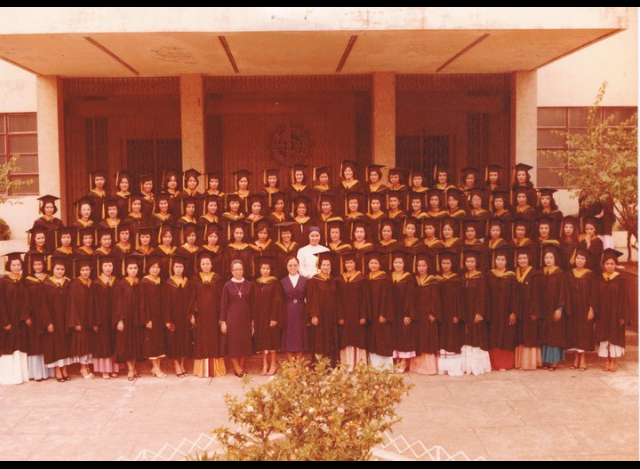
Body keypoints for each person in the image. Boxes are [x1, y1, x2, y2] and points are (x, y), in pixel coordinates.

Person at [596, 249, 631, 373]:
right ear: (603, 265)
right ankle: (606, 360)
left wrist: (623, 315)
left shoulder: (621, 279)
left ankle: (614, 361)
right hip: (603, 314)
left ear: (616, 264)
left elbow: (624, 298)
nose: (609, 266)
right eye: (607, 263)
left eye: (612, 263)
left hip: (616, 314)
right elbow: (596, 297)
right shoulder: (600, 278)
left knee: (615, 337)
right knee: (604, 337)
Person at [192, 251, 226, 379]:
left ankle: (215, 369)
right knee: (201, 339)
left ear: (211, 265)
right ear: (199, 265)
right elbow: (192, 298)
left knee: (214, 339)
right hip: (200, 315)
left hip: (213, 315)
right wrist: (192, 314)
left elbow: (220, 297)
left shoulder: (217, 279)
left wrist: (220, 315)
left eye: (208, 263)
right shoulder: (195, 279)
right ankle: (202, 370)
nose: (205, 266)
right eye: (203, 264)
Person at [163, 254, 196, 378]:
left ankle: (182, 364)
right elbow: (165, 303)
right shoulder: (168, 283)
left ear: (184, 268)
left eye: (180, 267)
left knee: (184, 341)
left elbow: (192, 300)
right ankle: (176, 365)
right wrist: (167, 320)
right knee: (174, 342)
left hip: (185, 317)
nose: (178, 269)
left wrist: (191, 315)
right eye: (176, 267)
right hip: (173, 317)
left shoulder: (188, 282)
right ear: (173, 268)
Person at [252, 256, 285, 376]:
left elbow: (277, 301)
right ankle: (265, 364)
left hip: (270, 317)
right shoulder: (256, 283)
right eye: (263, 268)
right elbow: (253, 301)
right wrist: (253, 318)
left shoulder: (275, 282)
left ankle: (273, 364)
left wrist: (274, 317)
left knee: (272, 341)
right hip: (260, 317)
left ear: (270, 270)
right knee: (262, 341)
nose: (265, 270)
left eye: (267, 268)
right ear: (259, 269)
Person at [335, 252, 368, 371]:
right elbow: (337, 300)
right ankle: (347, 365)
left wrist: (363, 315)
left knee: (358, 339)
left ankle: (359, 365)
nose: (349, 265)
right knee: (345, 339)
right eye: (347, 262)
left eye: (351, 262)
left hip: (357, 315)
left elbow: (364, 299)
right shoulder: (339, 279)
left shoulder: (361, 279)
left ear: (355, 263)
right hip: (345, 315)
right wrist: (340, 316)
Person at [220, 260, 254, 377]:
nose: (238, 272)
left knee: (245, 344)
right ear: (232, 271)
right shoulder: (227, 285)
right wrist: (223, 322)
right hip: (232, 319)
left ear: (243, 270)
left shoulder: (249, 284)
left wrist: (253, 320)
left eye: (240, 269)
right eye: (235, 269)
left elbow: (252, 303)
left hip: (246, 318)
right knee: (233, 344)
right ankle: (237, 367)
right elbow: (223, 304)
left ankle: (241, 366)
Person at [0, 253, 30, 385]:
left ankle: (21, 375)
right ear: (9, 266)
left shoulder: (23, 281)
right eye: (14, 265)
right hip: (9, 320)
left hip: (21, 319)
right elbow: (1, 303)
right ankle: (9, 377)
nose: (16, 267)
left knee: (20, 345)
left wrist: (26, 316)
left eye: (18, 264)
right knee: (9, 346)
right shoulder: (3, 281)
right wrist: (5, 321)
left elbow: (27, 301)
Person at [566, 248, 598, 372]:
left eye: (582, 259)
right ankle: (575, 359)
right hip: (573, 309)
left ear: (586, 261)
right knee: (574, 333)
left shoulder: (590, 275)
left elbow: (593, 294)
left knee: (584, 333)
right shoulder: (569, 274)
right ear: (575, 260)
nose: (579, 260)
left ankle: (583, 359)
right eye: (578, 258)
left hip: (585, 308)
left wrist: (591, 309)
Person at [486, 247, 518, 371]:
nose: (500, 262)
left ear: (506, 261)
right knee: (493, 336)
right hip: (493, 311)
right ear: (494, 260)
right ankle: (493, 363)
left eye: (502, 259)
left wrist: (513, 312)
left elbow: (515, 296)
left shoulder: (511, 276)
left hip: (506, 311)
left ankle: (504, 364)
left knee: (505, 336)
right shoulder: (490, 275)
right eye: (498, 259)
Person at [461, 249, 492, 376]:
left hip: (475, 312)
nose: (469, 264)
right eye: (467, 261)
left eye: (472, 261)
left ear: (476, 263)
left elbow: (483, 297)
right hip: (466, 312)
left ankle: (477, 367)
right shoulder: (463, 277)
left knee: (476, 337)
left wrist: (480, 313)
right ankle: (467, 366)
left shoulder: (480, 278)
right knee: (467, 337)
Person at [24, 254, 54, 382]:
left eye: (40, 264)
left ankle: (48, 371)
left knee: (46, 342)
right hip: (34, 316)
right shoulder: (27, 281)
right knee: (35, 343)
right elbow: (25, 300)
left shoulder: (49, 279)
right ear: (31, 266)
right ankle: (37, 373)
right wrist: (26, 315)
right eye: (35, 264)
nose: (37, 267)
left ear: (44, 265)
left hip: (47, 315)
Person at [42, 256, 73, 383]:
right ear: (52, 269)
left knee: (65, 344)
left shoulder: (67, 283)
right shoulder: (46, 284)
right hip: (53, 320)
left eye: (62, 269)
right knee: (55, 345)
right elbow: (43, 306)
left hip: (65, 319)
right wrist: (48, 322)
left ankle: (64, 368)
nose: (60, 271)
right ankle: (57, 370)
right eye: (58, 269)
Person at [113, 254, 143, 381]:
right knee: (126, 343)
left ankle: (134, 367)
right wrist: (120, 320)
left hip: (137, 318)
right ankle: (130, 369)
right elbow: (117, 303)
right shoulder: (121, 284)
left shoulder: (140, 283)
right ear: (126, 269)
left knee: (135, 343)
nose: (133, 270)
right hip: (126, 318)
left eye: (135, 268)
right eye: (130, 268)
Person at [410, 252, 441, 376]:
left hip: (428, 314)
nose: (421, 268)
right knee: (417, 338)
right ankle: (417, 366)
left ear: (428, 266)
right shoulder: (414, 280)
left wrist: (433, 313)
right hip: (417, 314)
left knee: (428, 338)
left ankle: (429, 368)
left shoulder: (432, 281)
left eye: (423, 265)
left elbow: (436, 298)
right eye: (419, 266)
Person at [436, 251, 465, 377]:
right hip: (441, 313)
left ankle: (453, 367)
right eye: (443, 263)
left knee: (452, 339)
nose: (446, 265)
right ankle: (443, 367)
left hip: (452, 313)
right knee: (442, 338)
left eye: (448, 263)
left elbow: (459, 299)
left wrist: (457, 314)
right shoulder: (437, 279)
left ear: (452, 264)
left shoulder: (456, 280)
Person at [91, 256, 120, 380]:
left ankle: (113, 368)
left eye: (110, 265)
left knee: (113, 341)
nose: (108, 268)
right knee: (103, 343)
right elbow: (93, 303)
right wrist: (94, 320)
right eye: (105, 266)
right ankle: (104, 370)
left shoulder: (116, 281)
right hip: (101, 318)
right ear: (101, 267)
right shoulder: (96, 283)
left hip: (114, 316)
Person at [365, 250, 394, 370]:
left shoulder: (384, 278)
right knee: (371, 338)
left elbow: (388, 298)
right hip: (370, 314)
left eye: (375, 263)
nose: (373, 265)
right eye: (371, 263)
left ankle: (386, 366)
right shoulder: (366, 278)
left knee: (383, 338)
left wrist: (384, 314)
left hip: (380, 313)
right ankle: (374, 365)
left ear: (380, 265)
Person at [514, 246, 542, 371]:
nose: (522, 260)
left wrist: (535, 311)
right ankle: (519, 362)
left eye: (524, 258)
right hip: (519, 310)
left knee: (529, 335)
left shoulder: (534, 274)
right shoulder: (515, 273)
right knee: (520, 335)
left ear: (529, 259)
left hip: (530, 310)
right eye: (520, 258)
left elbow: (537, 294)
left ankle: (529, 363)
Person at [139, 255, 167, 379]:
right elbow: (142, 303)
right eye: (153, 267)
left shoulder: (161, 281)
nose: (155, 269)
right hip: (150, 317)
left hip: (160, 317)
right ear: (148, 269)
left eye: (157, 267)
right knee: (151, 343)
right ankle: (155, 367)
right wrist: (146, 319)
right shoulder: (144, 283)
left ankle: (157, 367)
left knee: (159, 342)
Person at [307, 252, 338, 362]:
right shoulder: (314, 280)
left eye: (328, 265)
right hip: (320, 315)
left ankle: (331, 364)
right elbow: (312, 299)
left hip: (331, 315)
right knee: (319, 338)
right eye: (323, 265)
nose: (326, 267)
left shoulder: (333, 279)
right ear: (319, 265)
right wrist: (314, 315)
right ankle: (319, 365)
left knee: (331, 338)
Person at [67, 258, 95, 379]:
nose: (85, 272)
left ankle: (87, 366)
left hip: (89, 320)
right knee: (82, 344)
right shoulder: (75, 284)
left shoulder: (92, 283)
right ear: (79, 271)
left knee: (89, 343)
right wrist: (76, 321)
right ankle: (83, 368)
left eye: (87, 270)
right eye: (83, 270)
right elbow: (72, 304)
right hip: (80, 319)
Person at [390, 251, 417, 374]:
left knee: (405, 336)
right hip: (393, 312)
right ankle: (397, 360)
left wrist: (408, 314)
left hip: (404, 311)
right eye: (396, 262)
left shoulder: (408, 277)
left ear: (404, 264)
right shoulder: (390, 277)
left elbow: (411, 297)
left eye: (400, 262)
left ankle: (404, 361)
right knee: (395, 336)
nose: (398, 265)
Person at [280, 256, 308, 361]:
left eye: (295, 265)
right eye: (290, 265)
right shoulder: (282, 281)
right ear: (286, 266)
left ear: (298, 266)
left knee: (300, 335)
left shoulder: (305, 280)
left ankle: (299, 363)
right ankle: (291, 363)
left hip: (301, 310)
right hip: (287, 310)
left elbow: (308, 297)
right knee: (289, 335)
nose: (293, 267)